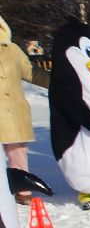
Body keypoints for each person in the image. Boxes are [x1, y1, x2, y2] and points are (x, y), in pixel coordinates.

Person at [0, 14, 50, 205]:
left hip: (12, 111)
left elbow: (30, 72)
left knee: (17, 152)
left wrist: (59, 81)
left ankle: (22, 191)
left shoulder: (11, 49)